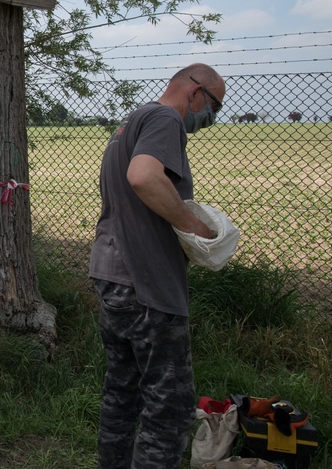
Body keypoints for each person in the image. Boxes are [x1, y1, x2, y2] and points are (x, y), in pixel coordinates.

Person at [89, 63, 227, 468]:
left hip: (112, 275)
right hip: (146, 281)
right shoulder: (166, 119)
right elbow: (144, 177)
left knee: (122, 393)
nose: (211, 117)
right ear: (195, 91)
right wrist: (196, 229)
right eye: (214, 106)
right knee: (169, 409)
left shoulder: (132, 121)